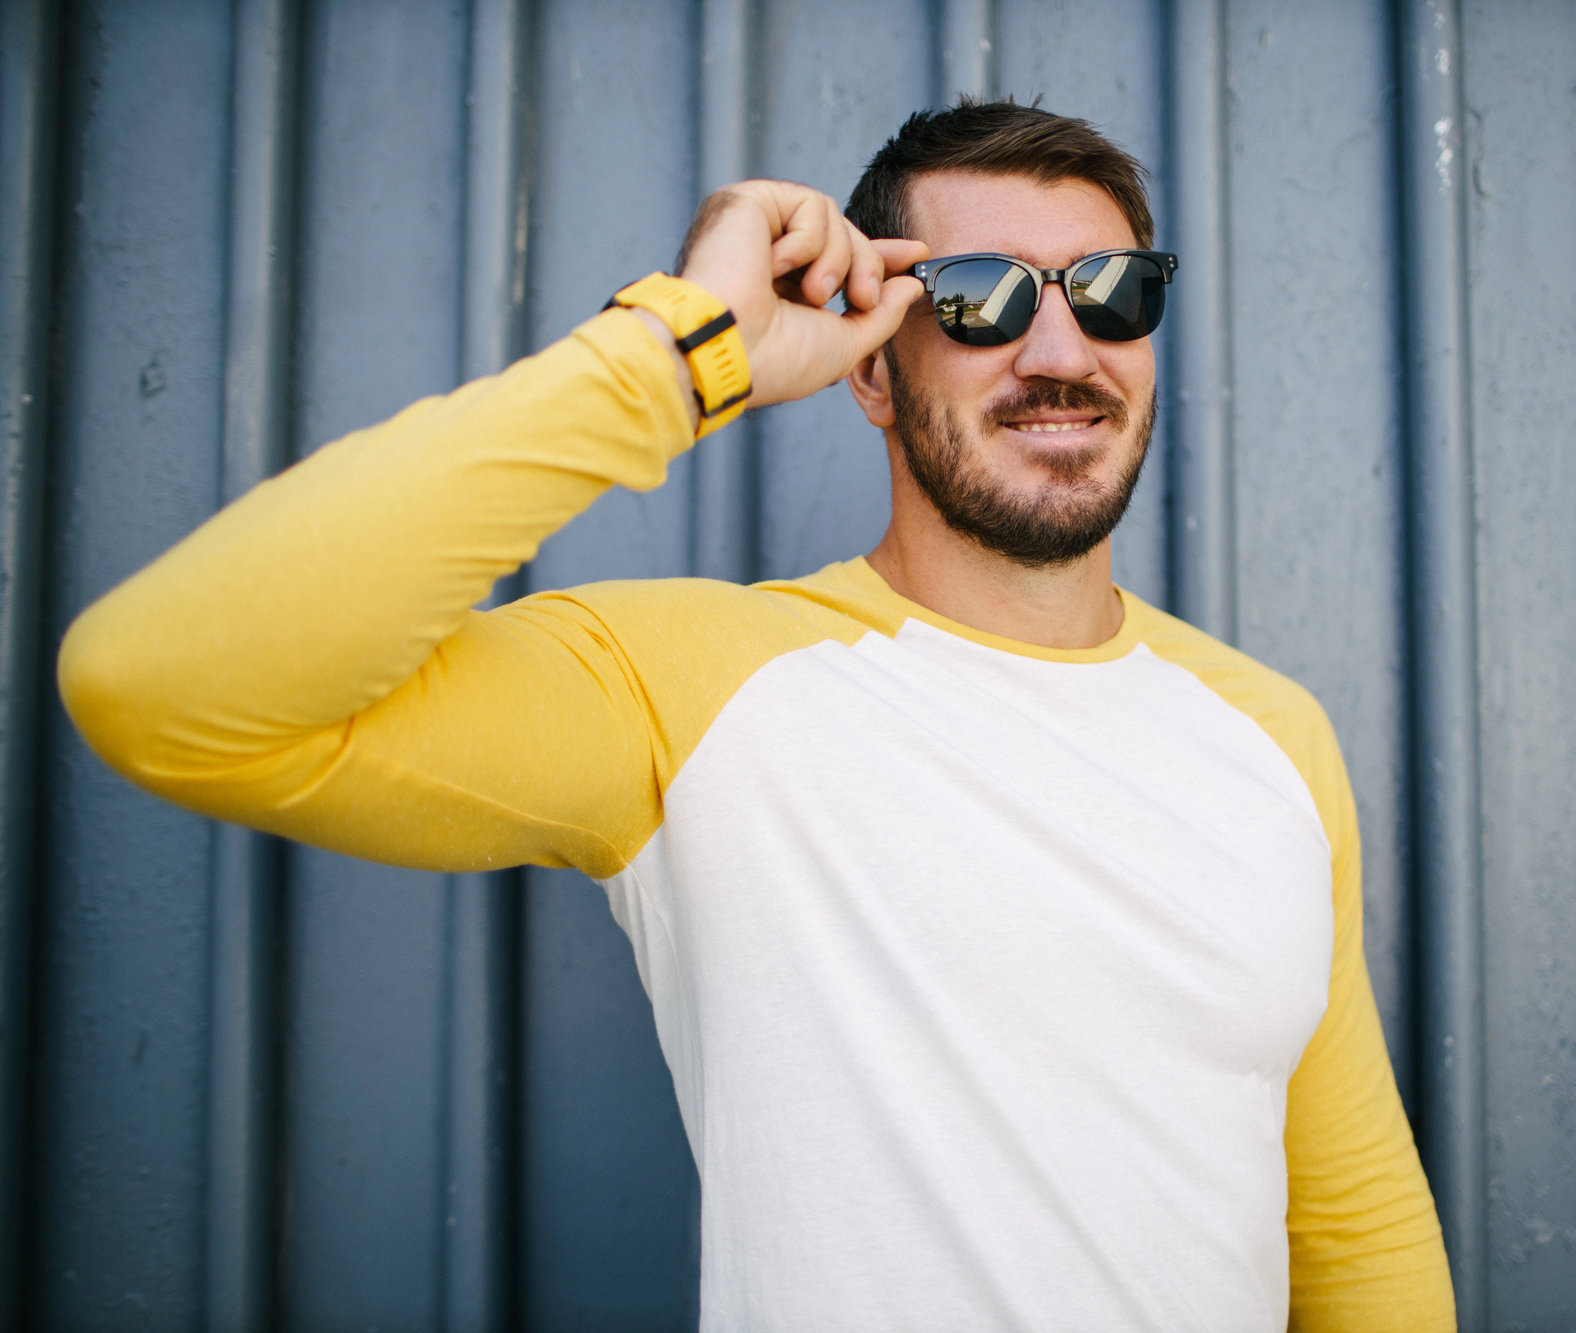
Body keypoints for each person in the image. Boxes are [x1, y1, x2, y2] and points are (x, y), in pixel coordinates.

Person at [59, 100, 1453, 1330]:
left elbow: (1353, 1230)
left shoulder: (1273, 732)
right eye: (974, 294)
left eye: (1108, 289)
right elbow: (166, 686)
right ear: (868, 368)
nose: (1057, 344)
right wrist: (674, 355)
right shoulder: (693, 688)